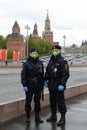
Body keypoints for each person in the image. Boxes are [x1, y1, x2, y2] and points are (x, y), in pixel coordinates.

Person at [45, 45, 70, 126]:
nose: (54, 51)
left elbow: (66, 74)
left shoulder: (63, 61)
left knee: (60, 102)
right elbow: (48, 71)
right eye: (53, 50)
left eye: (56, 50)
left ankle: (63, 118)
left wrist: (62, 84)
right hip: (51, 84)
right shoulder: (51, 60)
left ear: (59, 51)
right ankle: (53, 115)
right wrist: (45, 80)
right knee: (52, 101)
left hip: (59, 84)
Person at [21, 48, 44, 123]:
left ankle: (37, 116)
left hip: (38, 85)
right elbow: (23, 75)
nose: (35, 54)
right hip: (29, 85)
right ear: (30, 54)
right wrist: (24, 85)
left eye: (36, 53)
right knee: (28, 101)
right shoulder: (26, 64)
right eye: (33, 53)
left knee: (37, 101)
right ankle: (28, 116)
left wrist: (43, 82)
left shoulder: (40, 63)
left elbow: (42, 74)